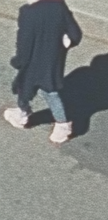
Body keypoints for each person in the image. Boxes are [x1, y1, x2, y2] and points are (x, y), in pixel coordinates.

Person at [3, 0, 82, 145]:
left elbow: (24, 43)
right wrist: (66, 42)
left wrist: (19, 61)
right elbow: (75, 33)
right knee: (50, 91)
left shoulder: (27, 13)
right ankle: (61, 125)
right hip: (52, 60)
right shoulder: (58, 5)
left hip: (32, 62)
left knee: (24, 86)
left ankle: (24, 113)